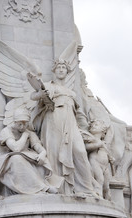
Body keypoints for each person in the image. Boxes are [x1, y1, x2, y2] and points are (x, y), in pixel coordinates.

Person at [30, 59, 96, 197]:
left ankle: (86, 188)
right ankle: (57, 187)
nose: (61, 69)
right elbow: (33, 96)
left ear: (67, 71)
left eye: (63, 68)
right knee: (53, 152)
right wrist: (40, 95)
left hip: (71, 123)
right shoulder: (48, 85)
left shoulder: (72, 92)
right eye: (58, 67)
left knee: (80, 151)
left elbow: (78, 114)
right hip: (53, 118)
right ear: (54, 71)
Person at [0, 108, 62, 203]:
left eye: (25, 124)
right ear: (14, 121)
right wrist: (25, 135)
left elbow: (39, 147)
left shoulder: (29, 133)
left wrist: (42, 154)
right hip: (6, 160)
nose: (23, 127)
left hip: (26, 157)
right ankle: (44, 188)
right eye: (20, 124)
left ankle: (39, 187)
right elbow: (16, 148)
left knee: (40, 162)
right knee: (17, 158)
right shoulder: (7, 131)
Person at [82, 120, 115, 200]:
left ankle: (107, 201)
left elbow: (107, 153)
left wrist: (111, 159)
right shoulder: (90, 138)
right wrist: (98, 145)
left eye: (96, 125)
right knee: (100, 180)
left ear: (103, 130)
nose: (93, 126)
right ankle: (99, 196)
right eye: (91, 126)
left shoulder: (104, 143)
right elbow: (86, 148)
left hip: (105, 166)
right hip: (95, 162)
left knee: (106, 186)